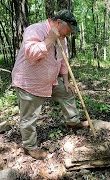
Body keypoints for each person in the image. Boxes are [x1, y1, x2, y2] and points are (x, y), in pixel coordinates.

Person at [12, 9, 82, 160]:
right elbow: (31, 54)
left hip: (51, 81)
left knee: (67, 92)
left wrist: (66, 81)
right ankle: (30, 147)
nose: (69, 34)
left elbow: (63, 61)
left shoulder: (62, 38)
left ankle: (73, 122)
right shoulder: (35, 30)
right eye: (68, 30)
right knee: (29, 117)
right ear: (58, 23)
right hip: (30, 82)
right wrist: (50, 39)